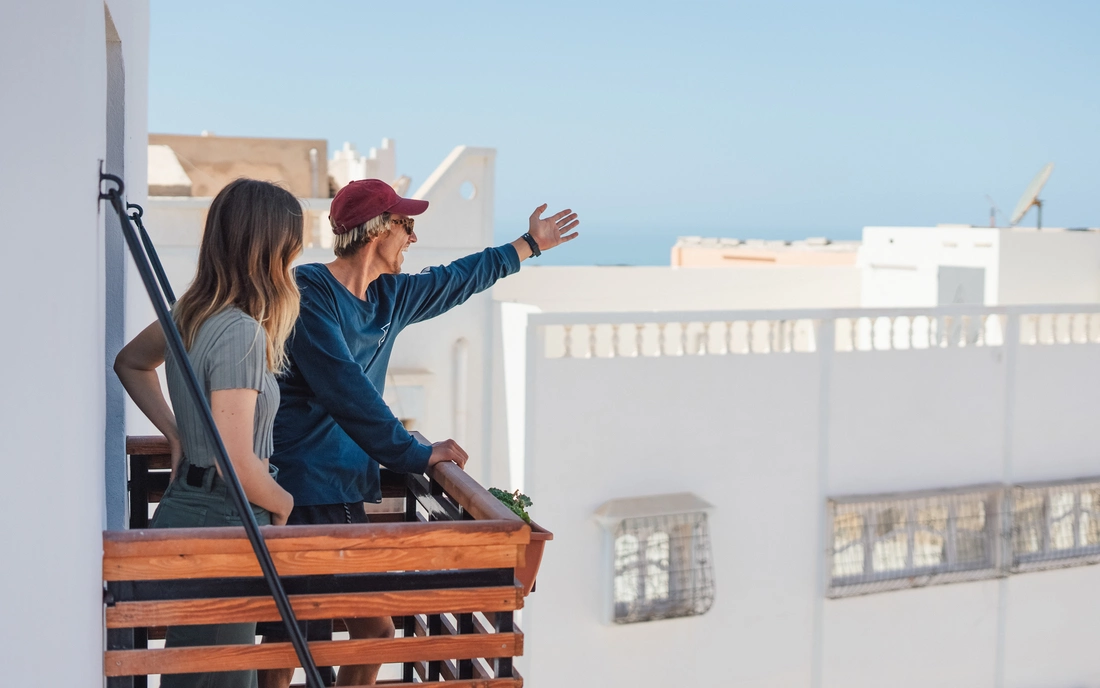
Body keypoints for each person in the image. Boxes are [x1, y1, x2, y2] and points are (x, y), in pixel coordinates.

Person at [257, 179, 578, 687]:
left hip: (340, 489)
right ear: (378, 229)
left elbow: (454, 280)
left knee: (298, 630)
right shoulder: (309, 293)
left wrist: (529, 244)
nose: (412, 237)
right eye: (406, 225)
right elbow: (346, 390)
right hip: (306, 488)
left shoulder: (389, 296)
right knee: (349, 632)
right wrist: (415, 453)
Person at [114, 178, 303, 688]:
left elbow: (131, 363)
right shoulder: (241, 331)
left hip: (186, 511)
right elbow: (237, 464)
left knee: (195, 674)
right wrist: (282, 502)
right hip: (227, 522)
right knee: (218, 678)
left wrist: (178, 435)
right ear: (268, 250)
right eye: (289, 251)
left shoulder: (189, 313)